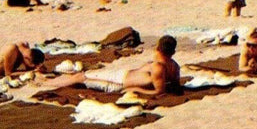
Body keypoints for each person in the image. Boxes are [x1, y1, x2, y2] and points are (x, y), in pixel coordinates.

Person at [42, 35, 181, 95]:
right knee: (80, 76)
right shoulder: (174, 66)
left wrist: (136, 90)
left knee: (81, 78)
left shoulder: (158, 67)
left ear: (158, 49)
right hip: (120, 77)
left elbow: (159, 91)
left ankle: (46, 84)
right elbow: (174, 85)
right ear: (173, 51)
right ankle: (49, 81)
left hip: (119, 83)